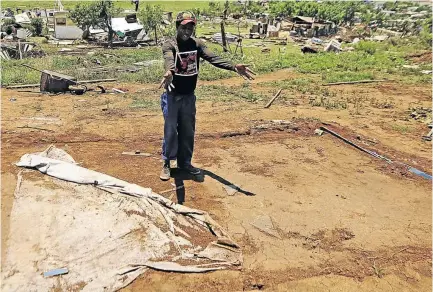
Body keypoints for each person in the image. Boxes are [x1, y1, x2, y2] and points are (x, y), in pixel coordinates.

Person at [159, 11, 255, 181]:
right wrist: (169, 71)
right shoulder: (170, 44)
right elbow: (169, 60)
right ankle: (167, 162)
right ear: (177, 26)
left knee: (188, 131)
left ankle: (185, 163)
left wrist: (233, 66)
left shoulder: (197, 44)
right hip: (172, 96)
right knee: (171, 131)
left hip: (188, 96)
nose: (187, 30)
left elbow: (213, 58)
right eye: (184, 26)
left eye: (190, 27)